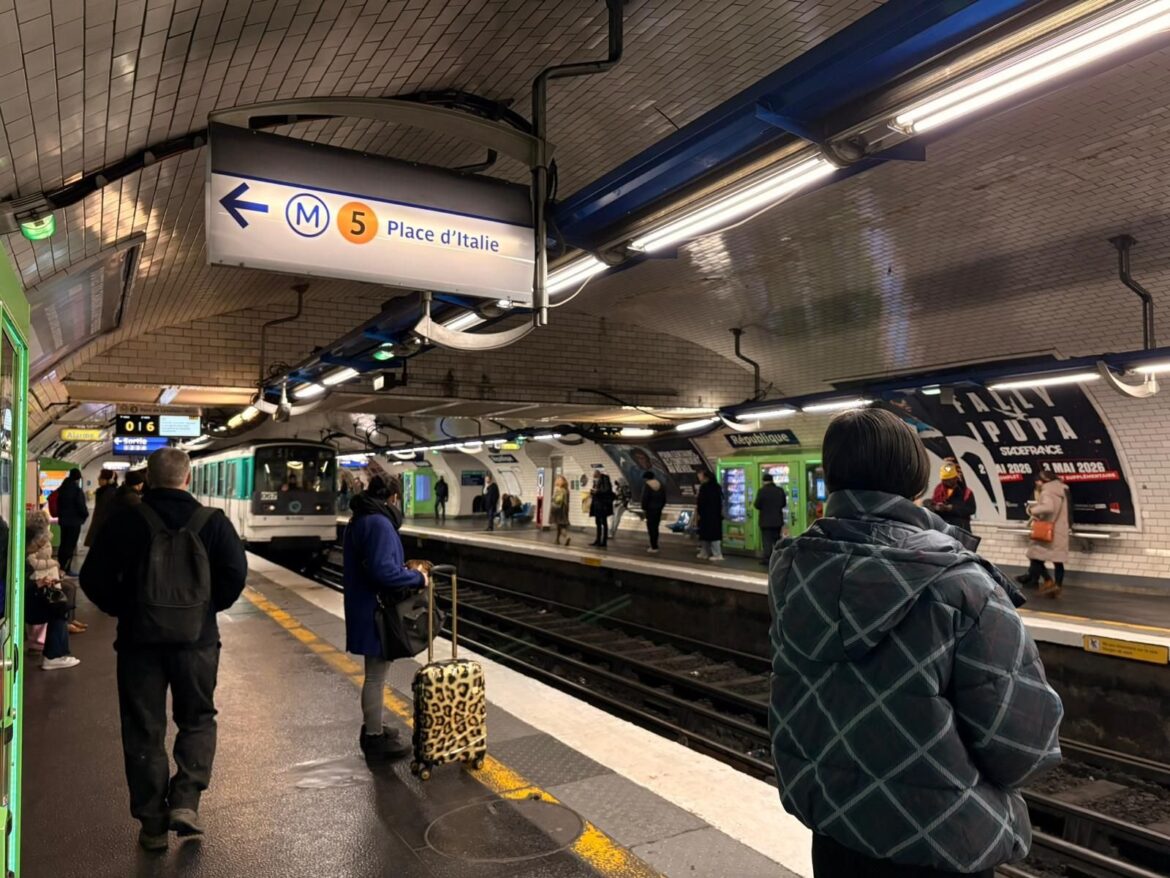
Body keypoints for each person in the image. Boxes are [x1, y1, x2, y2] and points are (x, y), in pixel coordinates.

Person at [768, 408, 1062, 878]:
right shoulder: (963, 586)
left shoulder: (791, 570)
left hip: (835, 827)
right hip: (940, 839)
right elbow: (1020, 744)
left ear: (832, 477)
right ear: (916, 482)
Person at [81, 447, 248, 851]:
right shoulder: (214, 523)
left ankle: (153, 826)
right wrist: (204, 611)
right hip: (197, 644)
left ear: (149, 480)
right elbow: (235, 577)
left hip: (140, 646)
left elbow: (92, 578)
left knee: (143, 730)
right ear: (188, 479)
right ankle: (186, 801)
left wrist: (126, 609)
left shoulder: (126, 521)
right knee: (198, 719)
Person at [342, 475, 426, 761]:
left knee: (375, 674)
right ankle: (374, 739)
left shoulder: (360, 519)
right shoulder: (378, 523)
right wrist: (417, 577)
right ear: (392, 498)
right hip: (376, 611)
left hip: (365, 606)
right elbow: (383, 572)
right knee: (376, 677)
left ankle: (375, 727)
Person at [25, 515, 80, 670]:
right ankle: (54, 655)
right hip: (26, 599)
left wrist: (39, 583)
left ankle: (56, 653)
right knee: (58, 608)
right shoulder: (26, 555)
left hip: (27, 593)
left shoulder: (22, 551)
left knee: (61, 601)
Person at [27, 511, 86, 635]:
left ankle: (68, 620)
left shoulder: (41, 538)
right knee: (60, 601)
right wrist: (53, 564)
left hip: (43, 577)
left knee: (69, 589)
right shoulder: (33, 542)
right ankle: (64, 625)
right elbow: (33, 563)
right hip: (39, 578)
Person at [1022, 469, 1071, 598]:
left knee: (1036, 556)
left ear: (1044, 480)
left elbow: (1048, 507)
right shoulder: (1062, 489)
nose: (1037, 483)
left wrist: (1033, 510)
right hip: (1060, 529)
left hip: (1047, 529)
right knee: (1057, 560)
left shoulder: (1047, 491)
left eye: (1038, 480)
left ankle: (1048, 581)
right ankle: (1057, 585)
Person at [926, 459, 977, 531]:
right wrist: (936, 507)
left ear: (955, 478)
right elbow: (933, 505)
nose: (945, 482)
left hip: (960, 529)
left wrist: (951, 508)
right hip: (942, 529)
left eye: (948, 480)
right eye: (944, 480)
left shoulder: (966, 492)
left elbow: (971, 509)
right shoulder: (938, 489)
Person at [55, 468, 88, 576]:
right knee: (70, 546)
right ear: (78, 478)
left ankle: (59, 566)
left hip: (63, 521)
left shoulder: (62, 488)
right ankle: (66, 569)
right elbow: (81, 507)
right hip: (74, 522)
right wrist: (85, 515)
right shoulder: (76, 490)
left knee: (63, 544)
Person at [754, 473, 787, 565]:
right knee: (776, 539)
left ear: (764, 481)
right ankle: (778, 556)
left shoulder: (762, 491)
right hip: (777, 520)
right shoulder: (779, 490)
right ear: (772, 480)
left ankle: (768, 559)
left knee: (766, 540)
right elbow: (783, 504)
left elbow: (757, 505)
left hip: (765, 521)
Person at [84, 469, 119, 548]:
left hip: (105, 530)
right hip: (101, 528)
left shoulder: (111, 493)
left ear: (109, 480)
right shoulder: (103, 492)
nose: (98, 478)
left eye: (101, 477)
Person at [694, 469, 724, 561]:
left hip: (706, 515)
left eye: (701, 476)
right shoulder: (717, 487)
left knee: (705, 535)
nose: (700, 478)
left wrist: (698, 513)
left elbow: (701, 502)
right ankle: (715, 553)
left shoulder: (704, 487)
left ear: (706, 477)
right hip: (716, 515)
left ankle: (707, 553)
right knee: (714, 535)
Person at [640, 470, 666, 554]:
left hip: (650, 510)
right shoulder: (660, 485)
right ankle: (655, 545)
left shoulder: (647, 486)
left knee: (651, 528)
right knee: (656, 527)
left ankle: (653, 546)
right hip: (658, 510)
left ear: (646, 478)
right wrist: (660, 507)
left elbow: (645, 498)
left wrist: (644, 508)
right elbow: (664, 498)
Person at [589, 470, 615, 548]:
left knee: (603, 522)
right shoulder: (596, 482)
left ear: (598, 474)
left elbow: (606, 490)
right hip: (597, 505)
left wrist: (597, 491)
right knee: (598, 523)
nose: (594, 477)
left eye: (595, 476)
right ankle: (597, 540)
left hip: (603, 505)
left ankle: (603, 541)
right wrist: (592, 492)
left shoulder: (605, 480)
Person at [550, 475, 571, 546]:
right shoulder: (567, 490)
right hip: (564, 508)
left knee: (560, 525)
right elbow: (567, 501)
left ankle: (566, 537)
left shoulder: (557, 489)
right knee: (561, 524)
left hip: (556, 508)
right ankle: (557, 540)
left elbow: (553, 498)